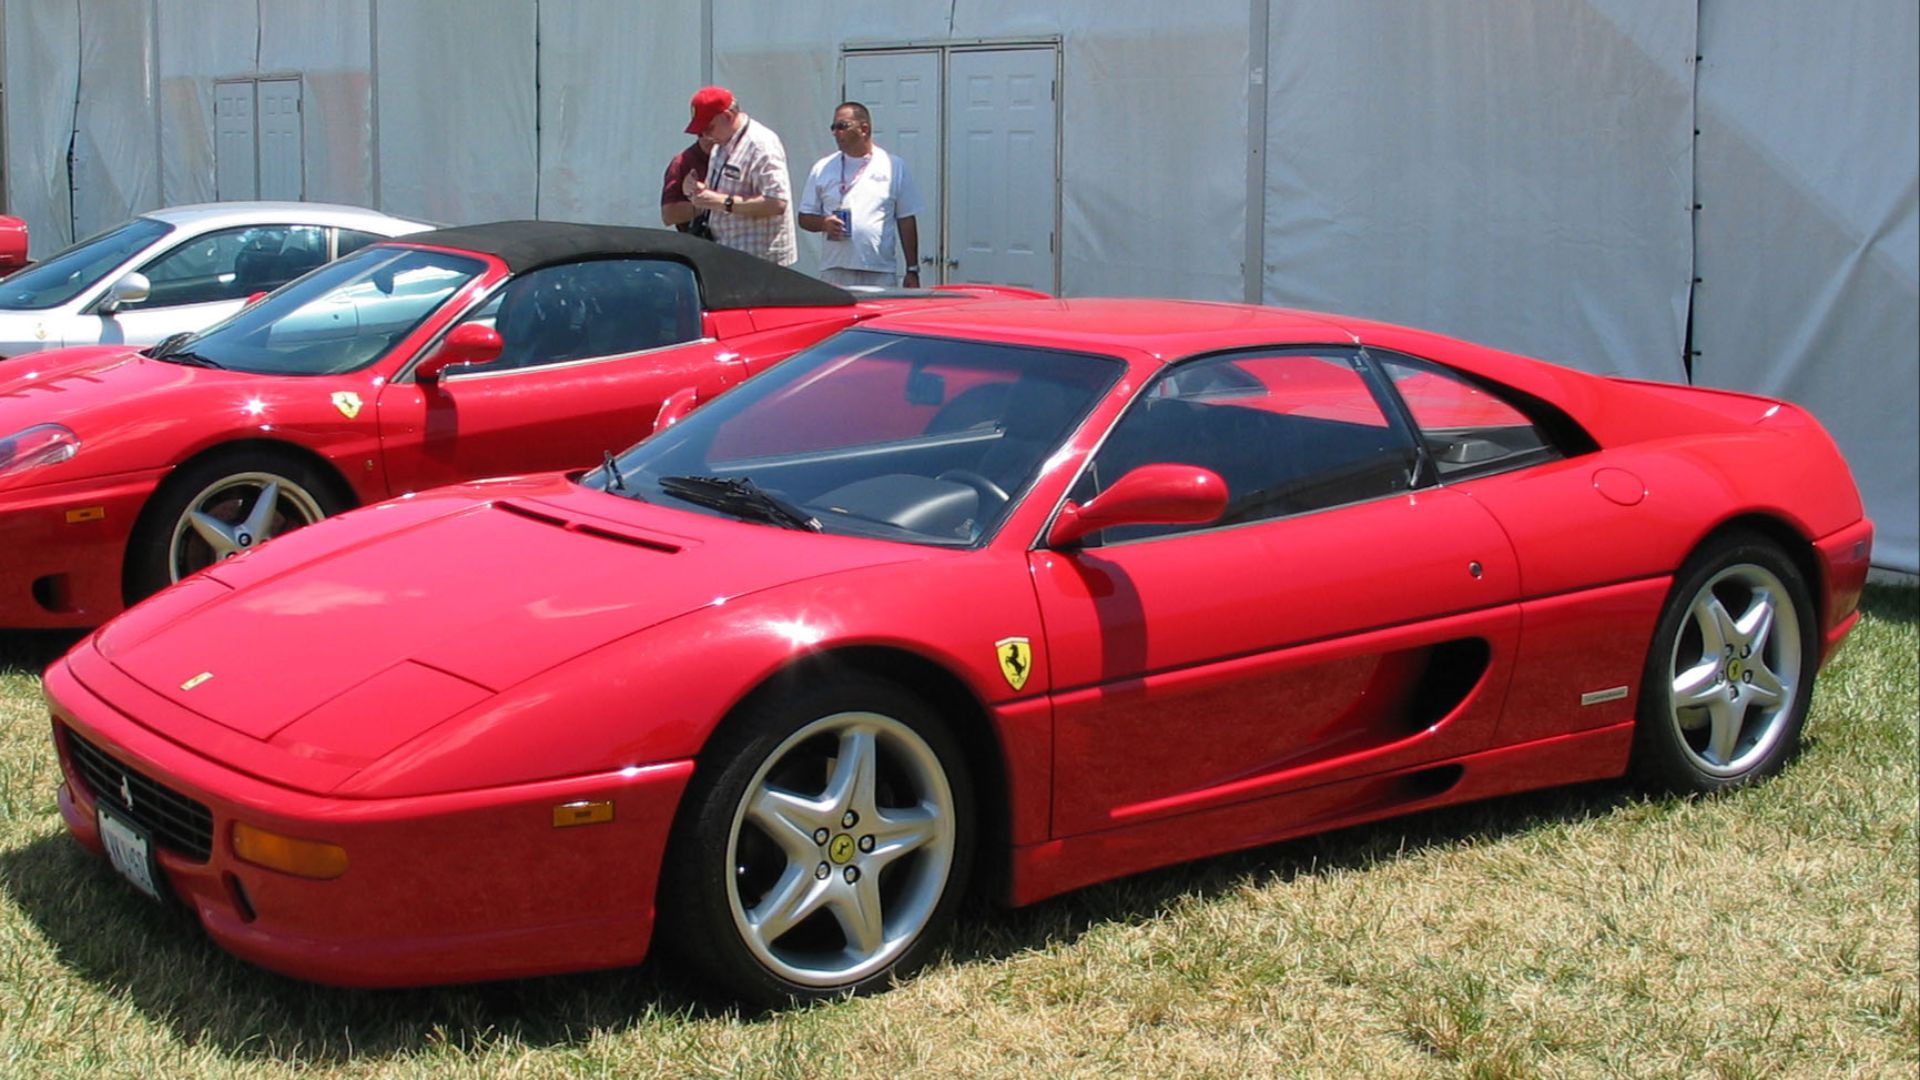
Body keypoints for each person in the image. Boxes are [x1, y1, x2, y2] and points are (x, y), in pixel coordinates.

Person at [798, 102, 923, 288]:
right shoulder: (822, 168)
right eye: (834, 127)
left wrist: (912, 269)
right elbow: (804, 218)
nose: (836, 132)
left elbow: (906, 219)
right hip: (835, 269)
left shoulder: (893, 166)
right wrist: (823, 223)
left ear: (864, 129)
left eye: (842, 126)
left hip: (879, 270)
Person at [680, 86, 797, 265]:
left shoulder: (761, 145)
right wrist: (698, 191)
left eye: (709, 128)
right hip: (728, 254)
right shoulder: (720, 144)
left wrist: (723, 202)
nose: (706, 135)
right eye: (701, 132)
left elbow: (777, 203)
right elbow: (720, 193)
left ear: (727, 116)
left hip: (760, 260)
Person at [659, 135, 714, 236]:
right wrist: (708, 204)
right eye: (701, 134)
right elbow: (669, 215)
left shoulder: (738, 157)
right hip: (702, 241)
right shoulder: (682, 162)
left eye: (712, 130)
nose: (708, 138)